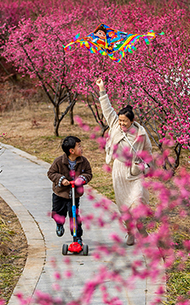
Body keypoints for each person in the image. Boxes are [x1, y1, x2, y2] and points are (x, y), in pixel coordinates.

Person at [95, 77, 152, 246]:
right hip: (119, 170)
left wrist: (149, 167)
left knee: (137, 202)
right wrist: (102, 89)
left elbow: (148, 152)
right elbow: (107, 109)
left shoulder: (141, 133)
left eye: (124, 122)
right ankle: (130, 232)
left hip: (135, 171)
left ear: (132, 121)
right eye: (120, 121)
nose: (121, 124)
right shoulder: (115, 124)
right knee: (124, 207)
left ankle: (142, 231)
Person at [47, 136, 92, 246]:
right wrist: (61, 180)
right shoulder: (59, 161)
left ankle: (77, 237)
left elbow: (88, 173)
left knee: (74, 217)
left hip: (74, 195)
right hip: (60, 193)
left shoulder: (83, 161)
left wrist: (81, 179)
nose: (81, 148)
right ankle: (59, 223)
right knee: (58, 213)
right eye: (79, 146)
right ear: (71, 151)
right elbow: (51, 173)